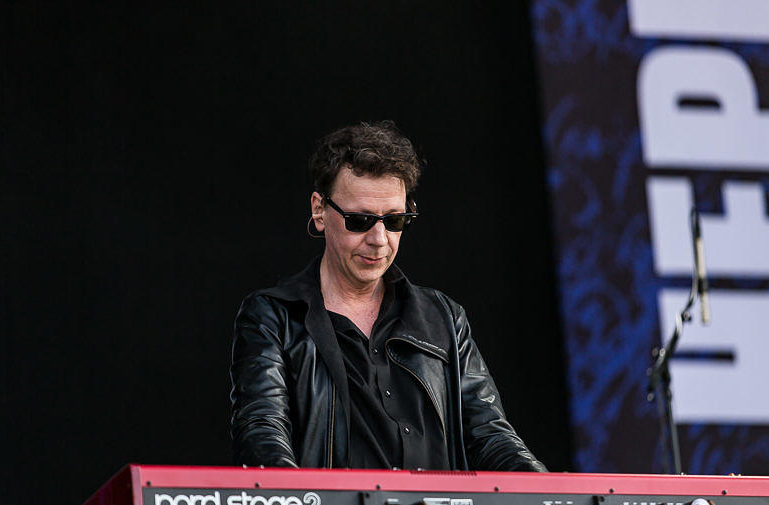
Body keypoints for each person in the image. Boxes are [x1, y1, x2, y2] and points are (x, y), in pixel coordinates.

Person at [229, 121, 546, 472]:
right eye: (360, 220)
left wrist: (546, 493)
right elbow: (262, 431)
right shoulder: (273, 316)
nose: (379, 239)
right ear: (319, 210)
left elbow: (490, 434)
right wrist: (301, 501)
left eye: (395, 220)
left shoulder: (443, 317)